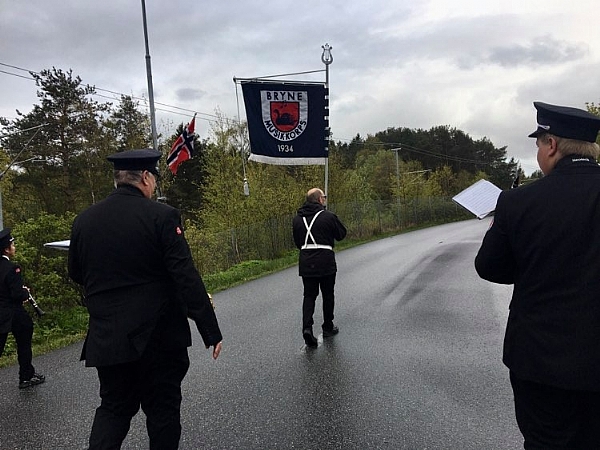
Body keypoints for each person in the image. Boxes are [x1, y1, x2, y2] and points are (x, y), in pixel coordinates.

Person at [68, 149, 223, 450]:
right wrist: (209, 328)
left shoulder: (84, 221)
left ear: (118, 180)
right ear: (147, 178)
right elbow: (185, 275)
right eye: (154, 181)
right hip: (159, 338)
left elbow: (76, 272)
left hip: (108, 338)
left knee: (113, 409)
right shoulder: (162, 216)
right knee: (162, 411)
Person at [475, 102, 600, 448]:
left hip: (540, 362)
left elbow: (488, 266)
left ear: (552, 145)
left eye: (538, 143)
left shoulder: (518, 202)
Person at [292, 188, 347, 348]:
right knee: (328, 294)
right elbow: (341, 234)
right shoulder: (328, 216)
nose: (325, 199)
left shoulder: (297, 220)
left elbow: (298, 243)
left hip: (306, 261)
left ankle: (307, 328)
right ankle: (328, 327)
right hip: (325, 260)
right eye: (324, 197)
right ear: (319, 200)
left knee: (309, 296)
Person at [0, 228, 45, 389]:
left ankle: (28, 374)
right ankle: (26, 376)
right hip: (13, 313)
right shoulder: (13, 268)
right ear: (6, 248)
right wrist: (25, 292)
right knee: (24, 342)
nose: (14, 246)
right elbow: (17, 294)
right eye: (12, 244)